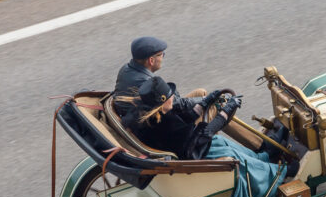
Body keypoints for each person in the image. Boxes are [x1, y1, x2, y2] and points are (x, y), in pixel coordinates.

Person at [120, 76, 298, 197]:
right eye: (170, 96)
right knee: (232, 157)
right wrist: (224, 113)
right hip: (190, 160)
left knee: (220, 142)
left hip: (179, 150)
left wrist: (204, 103)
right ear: (162, 101)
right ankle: (278, 173)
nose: (173, 97)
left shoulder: (151, 116)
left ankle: (264, 157)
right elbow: (201, 137)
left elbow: (184, 124)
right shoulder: (165, 125)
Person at [113, 36, 265, 151]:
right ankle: (259, 145)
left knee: (200, 92)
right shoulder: (145, 84)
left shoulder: (127, 70)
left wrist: (203, 98)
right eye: (161, 54)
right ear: (151, 60)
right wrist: (206, 100)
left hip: (149, 122)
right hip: (161, 130)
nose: (163, 57)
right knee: (219, 105)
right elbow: (175, 105)